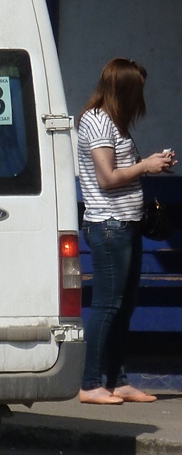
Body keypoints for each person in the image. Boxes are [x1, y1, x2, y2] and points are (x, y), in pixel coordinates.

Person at [76, 58, 175, 405]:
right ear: (124, 90)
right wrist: (146, 165)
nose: (142, 98)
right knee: (107, 305)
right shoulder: (99, 122)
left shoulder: (114, 124)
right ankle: (90, 383)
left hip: (126, 223)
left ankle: (117, 380)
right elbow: (107, 178)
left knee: (125, 304)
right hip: (109, 226)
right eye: (139, 90)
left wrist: (151, 165)